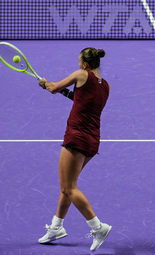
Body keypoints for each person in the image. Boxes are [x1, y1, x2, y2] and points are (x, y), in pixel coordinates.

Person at [37, 47, 111, 252]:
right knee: (68, 185)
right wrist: (63, 90)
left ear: (85, 65)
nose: (79, 65)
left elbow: (53, 87)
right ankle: (56, 227)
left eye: (79, 62)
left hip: (76, 137)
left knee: (69, 188)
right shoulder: (105, 86)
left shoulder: (81, 74)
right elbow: (81, 99)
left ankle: (98, 228)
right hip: (92, 140)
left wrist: (45, 84)